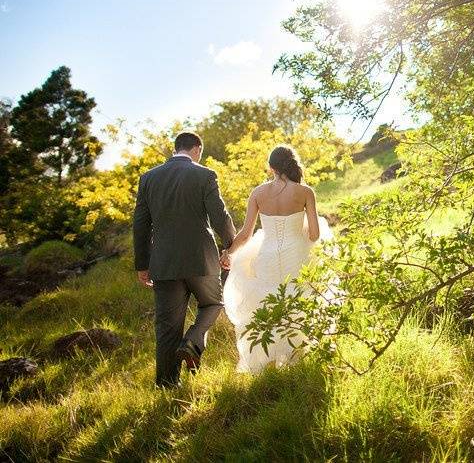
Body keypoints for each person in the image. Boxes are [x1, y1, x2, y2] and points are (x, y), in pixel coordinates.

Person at [133, 131, 236, 388]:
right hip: (202, 259)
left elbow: (140, 225)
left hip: (164, 262)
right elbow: (220, 217)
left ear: (175, 148)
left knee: (167, 326)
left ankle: (166, 384)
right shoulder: (205, 174)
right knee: (213, 303)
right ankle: (193, 340)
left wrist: (142, 265)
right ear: (197, 148)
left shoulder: (148, 179)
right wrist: (230, 248)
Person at [222, 145, 332, 373]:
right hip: (297, 254)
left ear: (271, 167)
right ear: (291, 165)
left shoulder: (258, 193)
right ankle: (297, 357)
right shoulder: (305, 192)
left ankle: (266, 360)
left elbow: (245, 234)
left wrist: (228, 253)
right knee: (299, 300)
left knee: (268, 303)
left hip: (268, 256)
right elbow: (314, 235)